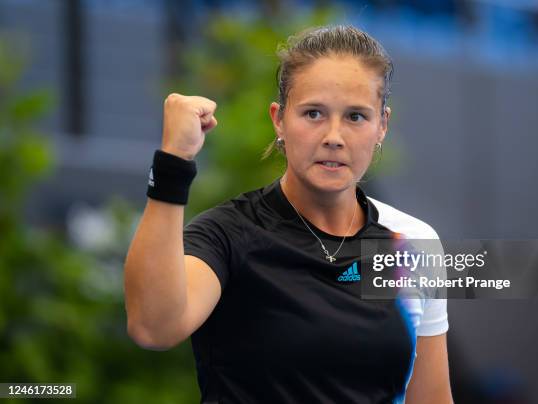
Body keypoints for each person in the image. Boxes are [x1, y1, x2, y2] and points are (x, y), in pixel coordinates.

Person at [124, 25, 453, 403]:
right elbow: (152, 327)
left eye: (356, 117)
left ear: (382, 125)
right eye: (313, 113)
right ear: (279, 119)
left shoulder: (411, 242)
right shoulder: (228, 234)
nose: (334, 135)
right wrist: (173, 163)